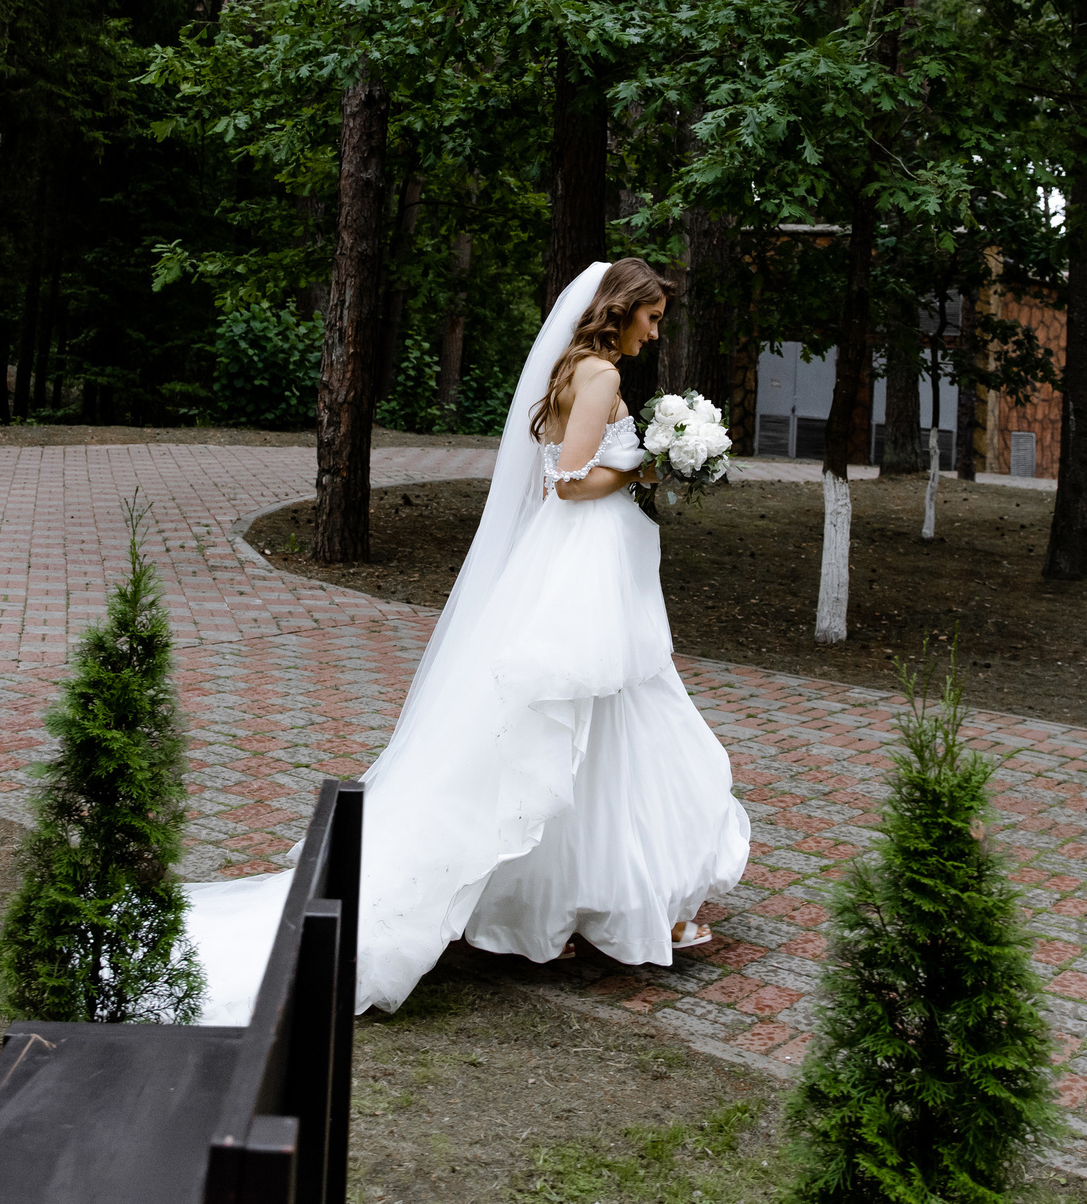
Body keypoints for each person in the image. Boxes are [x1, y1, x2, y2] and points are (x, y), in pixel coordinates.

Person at [182, 259, 752, 1022]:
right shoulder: (600, 379)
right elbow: (570, 477)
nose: (656, 329)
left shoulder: (580, 368)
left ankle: (607, 901)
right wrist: (643, 463)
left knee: (611, 724)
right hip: (580, 565)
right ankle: (616, 903)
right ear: (617, 311)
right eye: (649, 316)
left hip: (586, 561)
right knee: (590, 714)